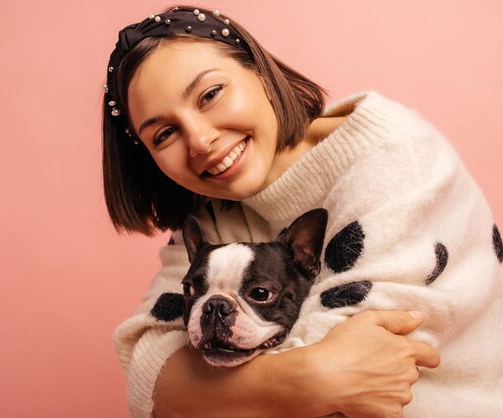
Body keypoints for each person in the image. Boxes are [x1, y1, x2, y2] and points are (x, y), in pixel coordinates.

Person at [103, 5, 503, 418]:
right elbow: (143, 375)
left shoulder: (395, 160)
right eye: (165, 133)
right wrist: (303, 379)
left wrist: (193, 390)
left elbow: (352, 377)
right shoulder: (213, 208)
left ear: (259, 69)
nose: (200, 140)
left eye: (210, 95)